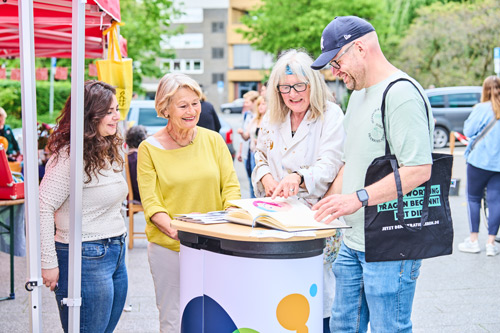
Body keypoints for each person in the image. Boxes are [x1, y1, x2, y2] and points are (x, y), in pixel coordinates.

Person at [311, 16, 434, 332]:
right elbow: (349, 163)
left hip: (392, 243)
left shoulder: (401, 94)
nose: (335, 73)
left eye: (337, 62)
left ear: (360, 48)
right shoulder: (358, 95)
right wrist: (318, 211)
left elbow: (418, 170)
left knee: (388, 327)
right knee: (343, 326)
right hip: (353, 239)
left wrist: (357, 198)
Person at [137, 73, 241, 332]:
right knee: (174, 318)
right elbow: (152, 204)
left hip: (216, 246)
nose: (192, 111)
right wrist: (179, 231)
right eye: (183, 105)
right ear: (165, 108)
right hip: (170, 248)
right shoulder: (149, 149)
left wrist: (230, 221)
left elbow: (231, 188)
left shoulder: (213, 140)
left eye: (195, 103)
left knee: (216, 316)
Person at [251, 49, 345, 332]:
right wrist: (266, 177)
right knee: (282, 297)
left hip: (316, 216)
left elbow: (330, 163)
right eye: (285, 88)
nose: (292, 94)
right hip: (277, 216)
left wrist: (298, 178)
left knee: (316, 296)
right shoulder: (273, 117)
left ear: (313, 84)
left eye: (299, 86)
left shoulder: (331, 115)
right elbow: (260, 156)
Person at [39, 80, 128, 332]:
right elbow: (42, 207)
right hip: (85, 255)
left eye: (117, 110)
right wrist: (48, 263)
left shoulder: (106, 149)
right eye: (109, 111)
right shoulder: (68, 156)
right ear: (90, 115)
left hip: (114, 250)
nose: (116, 117)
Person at [459, 75, 500, 256]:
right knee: (496, 200)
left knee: (474, 199)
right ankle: (491, 244)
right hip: (498, 165)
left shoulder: (481, 108)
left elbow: (468, 131)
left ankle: (474, 241)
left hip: (478, 162)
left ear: (485, 90)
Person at [236, 90, 259, 197]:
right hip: (247, 151)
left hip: (256, 151)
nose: (245, 104)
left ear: (254, 102)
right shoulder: (247, 115)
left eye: (247, 102)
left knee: (256, 182)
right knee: (250, 180)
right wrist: (240, 152)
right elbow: (244, 137)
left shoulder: (260, 116)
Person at [125, 125, 148, 203]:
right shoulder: (136, 158)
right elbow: (137, 184)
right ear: (142, 139)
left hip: (136, 195)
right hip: (140, 197)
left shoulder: (130, 156)